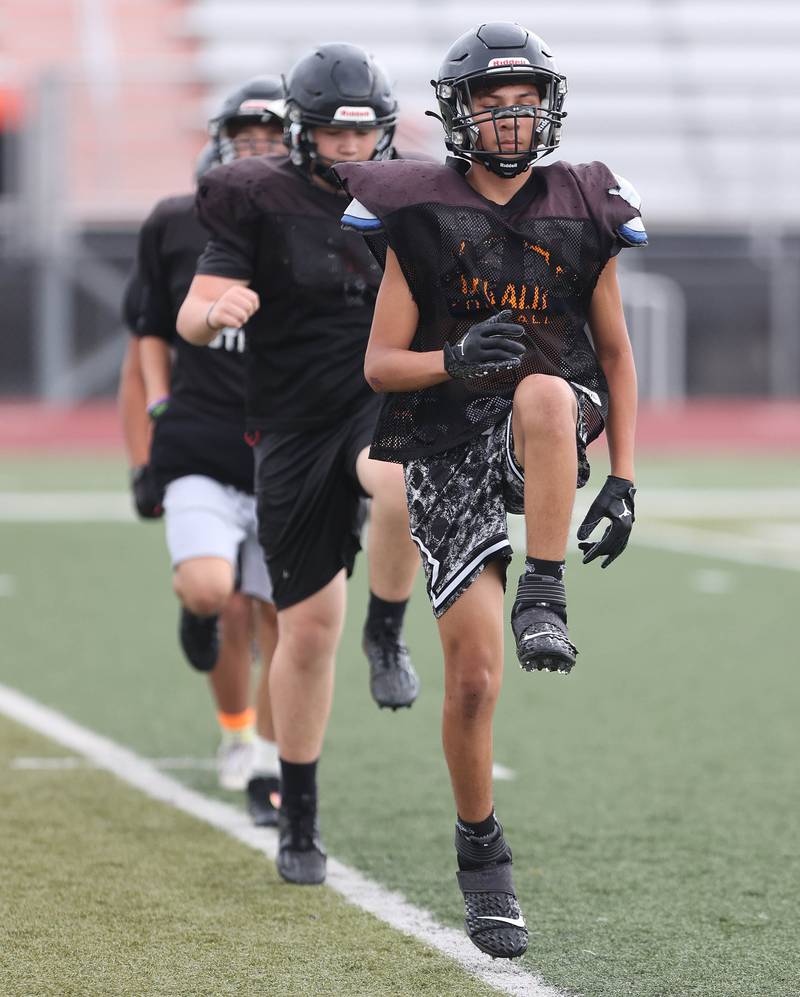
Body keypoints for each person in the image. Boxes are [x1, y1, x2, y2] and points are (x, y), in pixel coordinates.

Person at [336, 21, 644, 959]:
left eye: (523, 103)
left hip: (537, 426)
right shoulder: (417, 209)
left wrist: (625, 477)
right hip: (443, 434)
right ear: (456, 113)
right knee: (472, 681)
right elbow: (382, 365)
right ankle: (481, 850)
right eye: (490, 104)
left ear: (547, 107)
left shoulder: (580, 203)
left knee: (547, 389)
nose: (509, 121)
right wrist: (452, 357)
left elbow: (619, 357)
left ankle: (543, 593)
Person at [177, 43, 420, 885]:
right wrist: (219, 312)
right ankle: (300, 819)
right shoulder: (256, 195)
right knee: (306, 632)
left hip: (372, 404)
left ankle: (386, 635)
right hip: (288, 425)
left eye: (364, 134)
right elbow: (191, 315)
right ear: (302, 133)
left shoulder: (409, 195)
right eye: (335, 134)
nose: (352, 149)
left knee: (398, 476)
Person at [125, 78, 287, 821]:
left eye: (272, 138)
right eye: (244, 137)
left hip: (291, 448)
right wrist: (147, 437)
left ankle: (268, 763)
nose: (257, 152)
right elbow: (149, 336)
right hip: (203, 441)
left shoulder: (327, 223)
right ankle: (234, 731)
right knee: (212, 594)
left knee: (281, 614)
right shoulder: (175, 222)